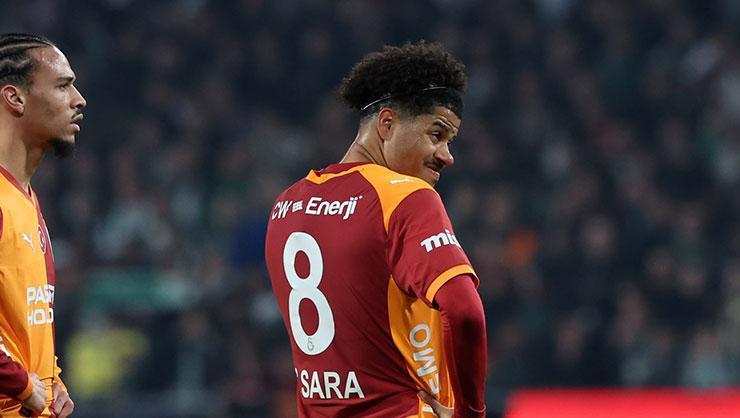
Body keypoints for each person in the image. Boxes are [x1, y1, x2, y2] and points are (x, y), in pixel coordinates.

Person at [265, 41, 486, 418]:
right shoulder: (405, 197)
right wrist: (470, 412)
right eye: (437, 135)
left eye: (450, 141)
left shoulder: (286, 206)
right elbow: (465, 312)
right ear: (387, 124)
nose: (448, 156)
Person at [0, 33, 85, 418]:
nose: (79, 100)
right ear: (15, 98)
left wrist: (52, 377)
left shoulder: (26, 198)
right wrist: (19, 383)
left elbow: (24, 320)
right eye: (63, 85)